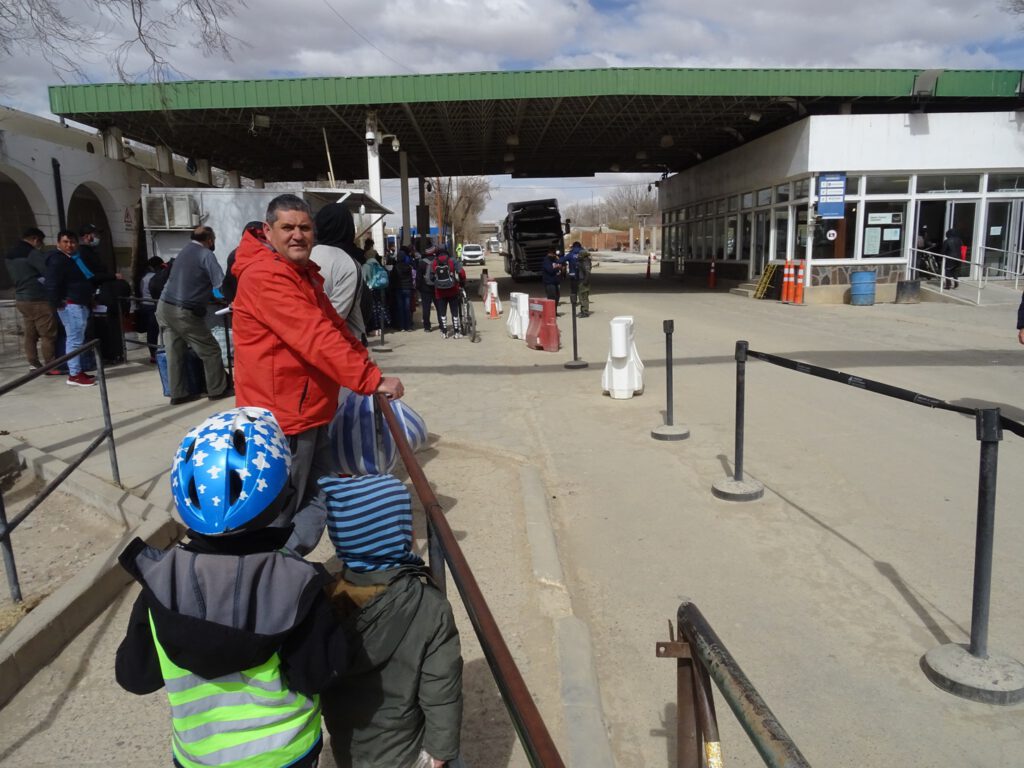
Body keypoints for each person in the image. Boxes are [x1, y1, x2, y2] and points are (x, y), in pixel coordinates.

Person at [114, 407, 349, 768]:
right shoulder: (298, 584)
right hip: (287, 753)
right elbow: (317, 674)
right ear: (284, 500)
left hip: (199, 757)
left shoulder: (160, 585)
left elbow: (136, 677)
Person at [230, 193, 404, 555]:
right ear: (268, 231)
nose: (297, 235)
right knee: (283, 508)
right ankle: (270, 578)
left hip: (307, 409)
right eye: (288, 227)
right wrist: (370, 381)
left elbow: (334, 328)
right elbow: (316, 337)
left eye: (305, 227)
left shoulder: (303, 273)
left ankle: (284, 571)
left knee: (317, 493)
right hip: (284, 417)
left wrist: (370, 372)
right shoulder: (267, 276)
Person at [319, 473, 463, 768]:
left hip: (347, 741)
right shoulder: (429, 606)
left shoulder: (327, 598)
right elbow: (441, 688)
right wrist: (441, 752)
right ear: (399, 534)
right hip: (405, 751)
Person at [155, 226, 232, 404]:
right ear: (210, 240)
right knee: (210, 350)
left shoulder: (184, 251)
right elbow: (220, 284)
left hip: (164, 307)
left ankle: (178, 394)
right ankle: (217, 390)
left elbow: (192, 281)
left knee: (175, 352)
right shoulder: (205, 254)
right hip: (183, 310)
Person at [44, 229, 114, 387]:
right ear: (58, 243)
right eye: (65, 242)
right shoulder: (57, 260)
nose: (69, 245)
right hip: (71, 305)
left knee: (77, 339)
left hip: (78, 302)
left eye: (72, 242)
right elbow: (51, 284)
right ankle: (74, 374)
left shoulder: (72, 259)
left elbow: (84, 280)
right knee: (74, 340)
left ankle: (77, 370)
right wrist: (57, 303)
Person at [310, 204, 368, 344]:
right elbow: (336, 315)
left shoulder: (304, 256)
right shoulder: (348, 263)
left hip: (306, 345)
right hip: (342, 347)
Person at [6, 227, 60, 373]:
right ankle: (51, 365)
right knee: (48, 334)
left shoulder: (9, 254)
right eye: (40, 242)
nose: (40, 245)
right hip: (38, 298)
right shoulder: (32, 253)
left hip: (21, 299)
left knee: (30, 334)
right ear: (35, 239)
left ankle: (33, 363)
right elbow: (46, 271)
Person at [428, 245, 466, 339]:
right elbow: (461, 272)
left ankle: (444, 332)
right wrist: (462, 282)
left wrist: (437, 283)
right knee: (454, 311)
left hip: (440, 292)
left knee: (442, 312)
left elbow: (431, 277)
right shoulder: (452, 260)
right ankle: (456, 332)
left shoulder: (434, 262)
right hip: (453, 290)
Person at [136, 256, 164, 363]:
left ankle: (153, 354)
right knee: (155, 331)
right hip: (153, 306)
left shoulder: (144, 277)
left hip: (145, 305)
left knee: (151, 331)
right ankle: (155, 354)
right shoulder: (156, 277)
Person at [361, 244, 390, 336]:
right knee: (380, 308)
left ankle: (373, 328)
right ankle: (380, 327)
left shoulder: (366, 266)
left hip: (370, 290)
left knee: (371, 309)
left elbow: (363, 279)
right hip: (379, 289)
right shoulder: (378, 265)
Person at [414, 243, 437, 332]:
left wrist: (419, 288)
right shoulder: (437, 261)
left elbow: (418, 277)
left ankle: (427, 327)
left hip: (425, 288)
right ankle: (442, 325)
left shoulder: (421, 262)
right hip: (436, 287)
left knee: (426, 308)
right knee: (439, 307)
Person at [393, 244, 415, 331]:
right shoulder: (408, 267)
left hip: (399, 288)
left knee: (400, 307)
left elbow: (393, 279)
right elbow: (411, 277)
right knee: (407, 308)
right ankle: (408, 326)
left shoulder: (395, 267)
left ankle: (401, 326)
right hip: (408, 288)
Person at [578, 246, 593, 317]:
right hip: (582, 281)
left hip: (584, 281)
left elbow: (587, 273)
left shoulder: (586, 262)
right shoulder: (583, 261)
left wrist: (585, 282)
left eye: (580, 255)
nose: (578, 256)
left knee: (584, 297)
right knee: (581, 297)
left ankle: (585, 312)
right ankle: (582, 310)